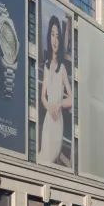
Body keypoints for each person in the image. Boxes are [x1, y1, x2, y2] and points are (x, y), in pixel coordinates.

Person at [37, 15, 72, 167]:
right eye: (52, 35)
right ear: (49, 36)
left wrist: (59, 104)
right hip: (47, 120)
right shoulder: (46, 66)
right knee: (42, 157)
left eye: (58, 36)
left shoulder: (62, 69)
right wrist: (48, 107)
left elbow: (71, 99)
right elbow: (42, 96)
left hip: (57, 122)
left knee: (49, 158)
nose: (55, 40)